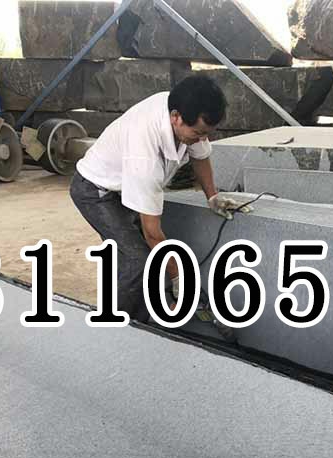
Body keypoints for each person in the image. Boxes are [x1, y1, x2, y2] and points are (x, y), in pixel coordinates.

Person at [70, 76, 247, 322]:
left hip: (123, 185)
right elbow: (152, 233)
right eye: (198, 133)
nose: (201, 139)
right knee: (138, 261)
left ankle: (142, 321)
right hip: (95, 191)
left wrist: (212, 196)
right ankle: (114, 327)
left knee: (138, 257)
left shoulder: (184, 110)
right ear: (176, 117)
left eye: (206, 134)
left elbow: (200, 156)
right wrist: (179, 279)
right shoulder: (145, 154)